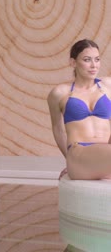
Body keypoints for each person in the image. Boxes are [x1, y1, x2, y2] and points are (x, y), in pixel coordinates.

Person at [47, 39, 111, 180]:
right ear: (73, 63)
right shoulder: (60, 93)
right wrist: (68, 159)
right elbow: (57, 129)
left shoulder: (107, 86)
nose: (94, 65)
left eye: (97, 59)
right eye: (87, 60)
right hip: (79, 153)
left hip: (106, 154)